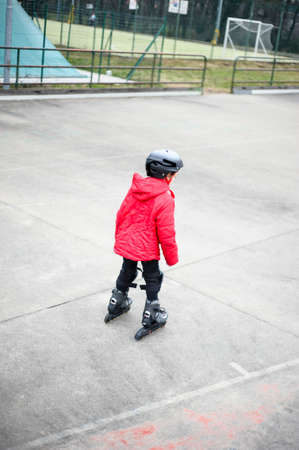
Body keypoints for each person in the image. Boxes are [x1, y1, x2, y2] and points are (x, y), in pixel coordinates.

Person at [104, 149, 183, 337]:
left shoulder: (136, 188)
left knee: (127, 270)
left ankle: (117, 301)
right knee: (153, 276)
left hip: (128, 241)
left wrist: (121, 238)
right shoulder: (164, 197)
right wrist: (171, 258)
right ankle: (152, 314)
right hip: (146, 247)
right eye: (174, 174)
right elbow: (166, 233)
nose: (174, 177)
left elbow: (121, 214)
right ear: (166, 175)